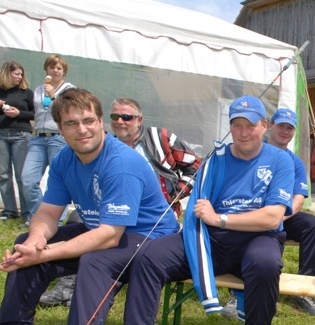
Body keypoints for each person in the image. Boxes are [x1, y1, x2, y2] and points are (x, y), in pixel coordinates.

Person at [0, 88, 180, 325]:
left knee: (95, 261)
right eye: (71, 124)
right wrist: (36, 243)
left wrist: (46, 254)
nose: (82, 130)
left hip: (149, 236)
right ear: (60, 128)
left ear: (100, 123)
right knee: (25, 242)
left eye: (88, 121)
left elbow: (109, 236)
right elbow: (48, 212)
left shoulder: (121, 163)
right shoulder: (65, 160)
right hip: (104, 228)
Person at [127, 95, 294, 325]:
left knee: (266, 263)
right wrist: (211, 221)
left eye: (250, 125)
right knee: (149, 256)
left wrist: (220, 219)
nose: (243, 132)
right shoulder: (215, 158)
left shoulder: (280, 160)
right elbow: (199, 205)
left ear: (264, 126)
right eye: (236, 125)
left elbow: (272, 218)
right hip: (210, 239)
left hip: (256, 238)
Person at [38, 97, 202, 308]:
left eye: (127, 117)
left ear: (139, 119)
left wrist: (175, 195)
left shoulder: (159, 137)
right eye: (115, 116)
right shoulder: (97, 145)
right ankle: (67, 285)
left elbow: (195, 165)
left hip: (152, 216)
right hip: (107, 212)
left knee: (104, 250)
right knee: (75, 217)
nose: (120, 121)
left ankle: (97, 295)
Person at [222, 107, 315, 319]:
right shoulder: (252, 150)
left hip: (282, 214)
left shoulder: (295, 162)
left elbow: (298, 198)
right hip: (252, 213)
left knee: (313, 225)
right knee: (247, 231)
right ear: (270, 126)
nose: (285, 131)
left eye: (290, 128)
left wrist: (278, 217)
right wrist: (262, 219)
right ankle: (237, 292)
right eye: (281, 126)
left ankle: (305, 290)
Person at [21, 54, 75, 226]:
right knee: (28, 179)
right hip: (37, 138)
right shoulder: (38, 89)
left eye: (59, 68)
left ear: (64, 71)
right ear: (47, 69)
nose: (55, 70)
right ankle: (38, 217)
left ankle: (57, 220)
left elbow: (69, 111)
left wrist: (53, 96)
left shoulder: (69, 90)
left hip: (58, 138)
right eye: (52, 67)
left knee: (58, 180)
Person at [0, 61, 34, 221]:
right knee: (3, 174)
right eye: (16, 74)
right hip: (1, 134)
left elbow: (36, 113)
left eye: (21, 74)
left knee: (22, 175)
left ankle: (26, 212)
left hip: (21, 135)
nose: (20, 77)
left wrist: (19, 113)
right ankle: (10, 210)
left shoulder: (26, 93)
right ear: (7, 74)